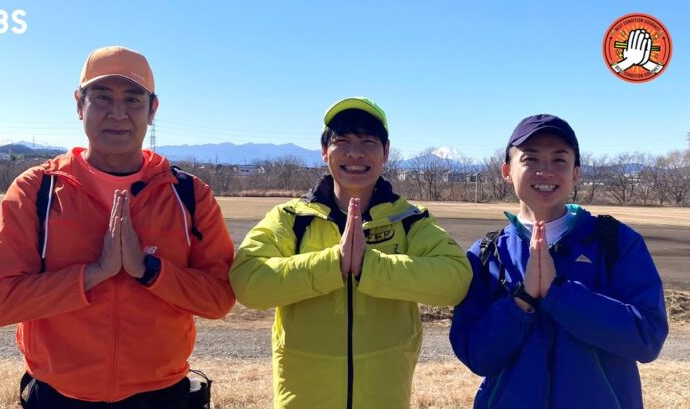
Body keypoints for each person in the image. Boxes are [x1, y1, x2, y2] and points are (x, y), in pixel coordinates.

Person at [0, 46, 235, 407]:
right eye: (101, 98)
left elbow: (220, 297)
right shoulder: (37, 189)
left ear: (152, 110)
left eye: (132, 99)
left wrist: (148, 270)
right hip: (57, 396)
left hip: (162, 396)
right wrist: (92, 274)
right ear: (79, 105)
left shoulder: (189, 195)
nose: (118, 114)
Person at [229, 97, 473, 408]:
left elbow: (456, 279)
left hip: (384, 396)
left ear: (386, 151)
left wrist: (371, 266)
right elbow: (247, 282)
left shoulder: (409, 220)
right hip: (303, 398)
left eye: (367, 141)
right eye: (342, 141)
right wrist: (333, 263)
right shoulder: (292, 219)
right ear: (324, 152)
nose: (355, 153)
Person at [449, 114, 668, 408]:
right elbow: (476, 355)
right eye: (530, 159)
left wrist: (560, 295)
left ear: (576, 173)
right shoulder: (488, 253)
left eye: (559, 160)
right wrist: (521, 300)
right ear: (506, 170)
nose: (545, 171)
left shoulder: (615, 242)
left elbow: (647, 337)